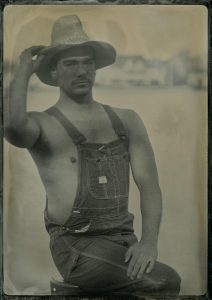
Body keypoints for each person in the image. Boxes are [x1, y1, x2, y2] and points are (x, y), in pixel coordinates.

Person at [4, 15, 181, 296]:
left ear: (96, 68)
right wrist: (23, 72)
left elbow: (149, 185)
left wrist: (149, 241)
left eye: (88, 62)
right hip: (76, 246)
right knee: (164, 282)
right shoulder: (43, 125)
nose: (81, 71)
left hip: (123, 239)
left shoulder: (126, 120)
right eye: (70, 64)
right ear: (53, 73)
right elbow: (12, 128)